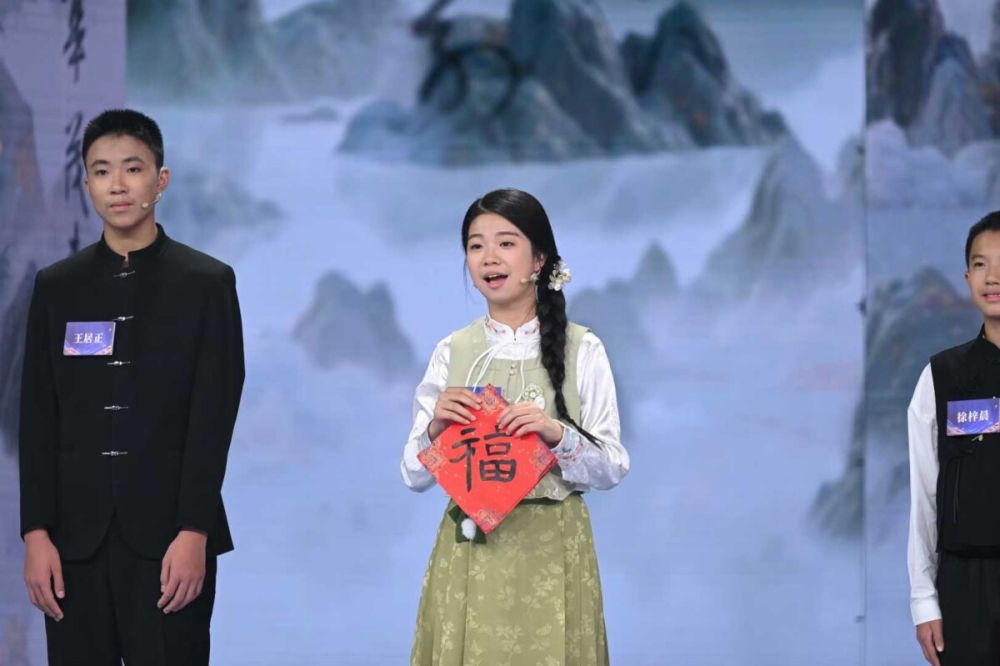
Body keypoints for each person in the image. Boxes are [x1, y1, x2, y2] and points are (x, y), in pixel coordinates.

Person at [19, 108, 244, 666]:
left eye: (132, 168)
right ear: (87, 185)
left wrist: (193, 531)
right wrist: (35, 533)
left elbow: (213, 418)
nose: (117, 185)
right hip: (73, 545)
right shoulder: (57, 287)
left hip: (170, 542)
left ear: (160, 181)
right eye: (101, 171)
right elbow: (38, 418)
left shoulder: (206, 284)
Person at [401, 188, 629, 665]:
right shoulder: (452, 351)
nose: (489, 257)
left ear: (539, 259)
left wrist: (556, 434)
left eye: (506, 243)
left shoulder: (582, 349)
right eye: (476, 245)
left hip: (553, 547)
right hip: (472, 549)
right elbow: (413, 476)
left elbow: (611, 468)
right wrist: (435, 428)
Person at [909, 210, 1000, 666]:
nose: (993, 278)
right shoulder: (942, 375)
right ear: (967, 278)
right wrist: (924, 601)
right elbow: (925, 495)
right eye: (981, 264)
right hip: (966, 588)